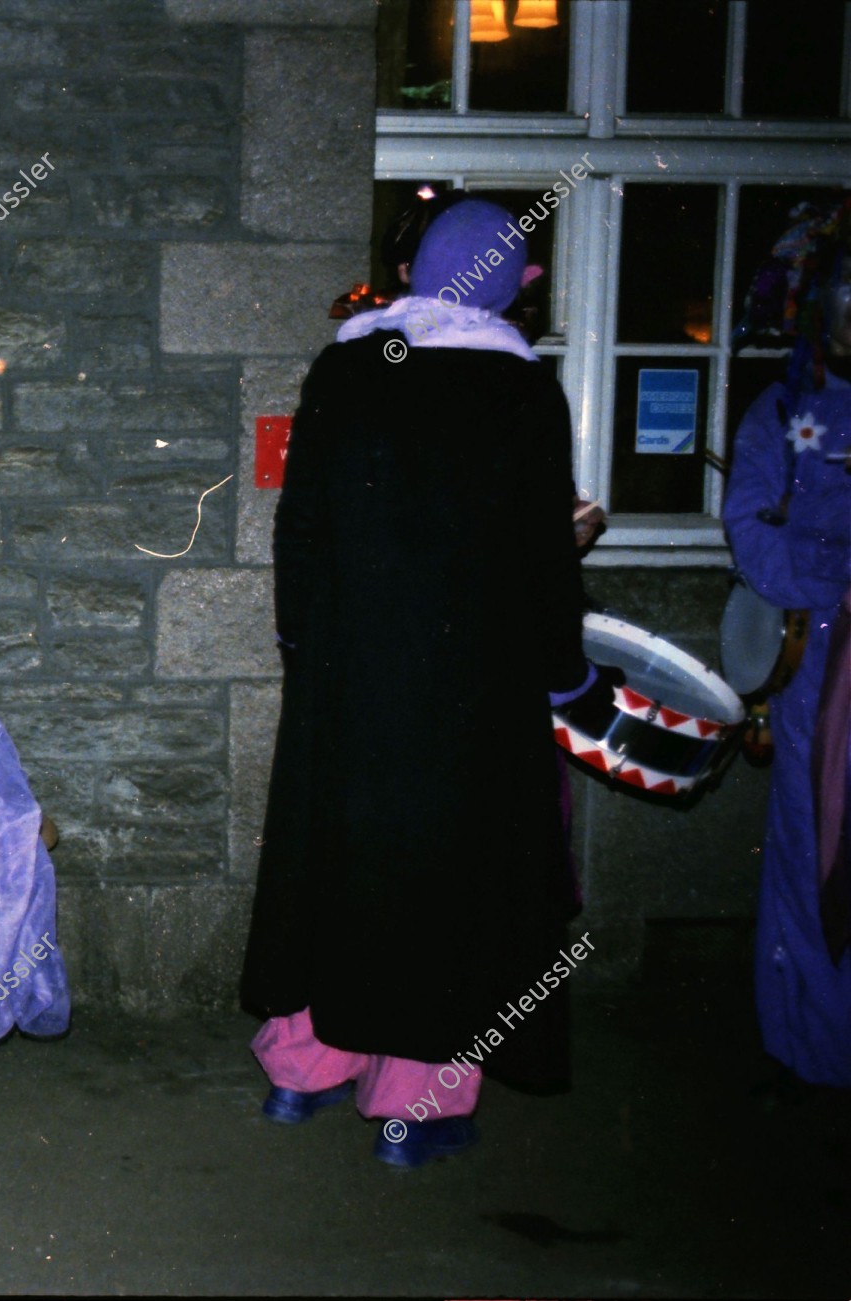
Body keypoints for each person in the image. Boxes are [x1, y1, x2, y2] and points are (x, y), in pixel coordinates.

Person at [239, 199, 610, 1167]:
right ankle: (413, 1108)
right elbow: (539, 568)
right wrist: (567, 679)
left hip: (349, 685)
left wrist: (306, 651)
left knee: (342, 865)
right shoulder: (522, 395)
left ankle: (301, 1071)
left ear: (414, 275)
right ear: (516, 288)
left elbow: (302, 534)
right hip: (465, 699)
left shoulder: (348, 367)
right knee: (444, 891)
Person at [723, 197, 851, 1090]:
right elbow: (751, 532)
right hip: (819, 671)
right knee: (813, 849)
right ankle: (815, 1041)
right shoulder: (784, 410)